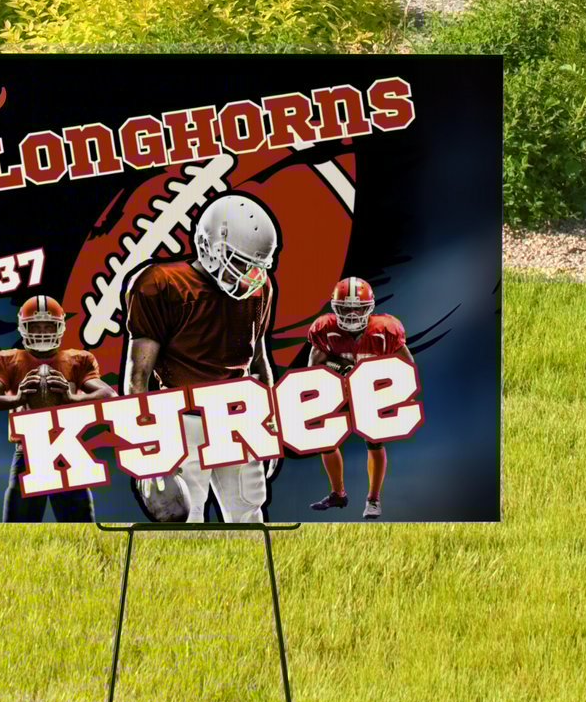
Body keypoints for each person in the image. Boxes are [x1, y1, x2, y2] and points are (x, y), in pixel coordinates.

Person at [122, 193, 279, 522]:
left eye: (256, 266)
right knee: (185, 520)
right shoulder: (161, 284)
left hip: (237, 414)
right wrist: (147, 444)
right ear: (209, 246)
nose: (249, 276)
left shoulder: (261, 289)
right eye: (239, 262)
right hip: (182, 417)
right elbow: (139, 376)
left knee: (249, 514)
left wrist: (270, 422)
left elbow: (259, 358)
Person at [0, 294, 116, 522]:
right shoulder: (8, 360)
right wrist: (17, 399)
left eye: (48, 325)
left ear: (60, 327)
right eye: (36, 325)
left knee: (81, 532)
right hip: (28, 451)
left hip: (68, 450)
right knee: (17, 534)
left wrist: (71, 398)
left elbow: (110, 396)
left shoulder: (78, 360)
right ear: (23, 327)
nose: (43, 332)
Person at [306, 277, 415, 519]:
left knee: (374, 442)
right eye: (346, 308)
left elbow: (408, 367)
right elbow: (313, 368)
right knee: (325, 440)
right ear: (335, 308)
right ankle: (338, 494)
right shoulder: (325, 328)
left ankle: (373, 499)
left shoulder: (386, 330)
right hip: (338, 392)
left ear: (370, 307)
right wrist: (339, 367)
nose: (353, 314)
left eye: (358, 308)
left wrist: (383, 385)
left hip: (371, 394)